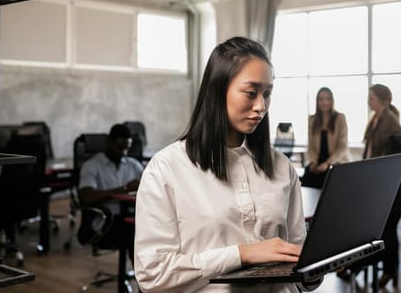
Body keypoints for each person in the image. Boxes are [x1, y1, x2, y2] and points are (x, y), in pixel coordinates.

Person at [134, 37, 319, 292]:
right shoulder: (166, 168)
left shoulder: (281, 166)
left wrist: (315, 269)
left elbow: (297, 259)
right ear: (217, 90)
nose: (261, 106)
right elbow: (152, 275)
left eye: (267, 94)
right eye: (251, 93)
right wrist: (242, 254)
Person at [78, 123, 143, 261]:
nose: (124, 153)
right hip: (106, 222)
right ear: (109, 142)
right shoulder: (92, 166)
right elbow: (86, 197)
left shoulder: (133, 165)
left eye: (127, 149)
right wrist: (124, 189)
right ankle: (141, 279)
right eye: (120, 148)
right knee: (137, 233)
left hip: (130, 216)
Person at [362, 83, 401, 288]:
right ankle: (362, 262)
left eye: (371, 98)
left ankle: (390, 269)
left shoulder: (391, 122)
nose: (369, 101)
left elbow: (396, 155)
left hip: (390, 189)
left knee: (388, 229)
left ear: (382, 100)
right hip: (377, 184)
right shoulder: (376, 119)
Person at [300, 87, 350, 188]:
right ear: (317, 101)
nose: (324, 102)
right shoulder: (312, 120)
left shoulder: (340, 118)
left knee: (327, 178)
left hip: (335, 161)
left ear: (332, 101)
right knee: (307, 177)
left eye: (327, 99)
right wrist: (314, 162)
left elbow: (342, 146)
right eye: (321, 99)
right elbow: (311, 147)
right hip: (317, 162)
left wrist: (327, 163)